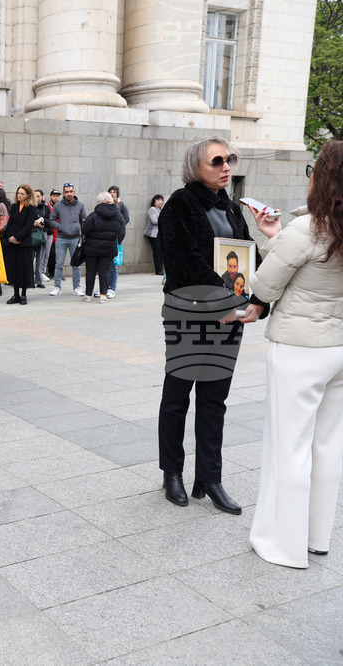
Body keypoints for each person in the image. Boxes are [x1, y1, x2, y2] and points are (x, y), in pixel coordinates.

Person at [157, 135, 268, 514]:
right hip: (188, 313)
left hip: (228, 318)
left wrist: (256, 301)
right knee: (178, 397)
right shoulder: (181, 203)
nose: (226, 167)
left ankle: (210, 477)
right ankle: (172, 472)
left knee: (214, 400)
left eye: (230, 159)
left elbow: (248, 261)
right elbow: (182, 260)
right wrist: (225, 300)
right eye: (217, 161)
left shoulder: (232, 209)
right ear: (196, 167)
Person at [248, 141, 343, 568]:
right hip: (338, 348)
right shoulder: (316, 231)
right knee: (328, 444)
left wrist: (275, 240)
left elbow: (266, 284)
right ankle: (315, 538)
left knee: (289, 446)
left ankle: (282, 545)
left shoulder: (309, 229)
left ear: (321, 177)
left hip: (300, 348)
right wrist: (276, 236)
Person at [81, 192, 126, 303]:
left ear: (99, 201)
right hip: (109, 248)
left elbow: (85, 229)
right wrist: (115, 240)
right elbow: (122, 232)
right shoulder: (118, 215)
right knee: (104, 271)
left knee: (90, 271)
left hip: (91, 248)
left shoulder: (93, 214)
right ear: (111, 200)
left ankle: (88, 295)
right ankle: (103, 295)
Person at [2, 184, 39, 305]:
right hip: (13, 242)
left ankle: (23, 295)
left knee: (24, 269)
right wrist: (12, 238)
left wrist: (18, 237)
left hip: (25, 243)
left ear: (28, 195)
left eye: (22, 193)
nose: (19, 195)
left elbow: (28, 226)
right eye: (18, 193)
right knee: (15, 269)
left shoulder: (31, 208)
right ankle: (15, 294)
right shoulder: (14, 207)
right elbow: (11, 223)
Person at [48, 183, 86, 296]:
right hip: (61, 238)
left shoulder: (80, 205)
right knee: (59, 263)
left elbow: (84, 221)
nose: (69, 194)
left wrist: (83, 236)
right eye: (67, 192)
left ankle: (77, 287)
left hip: (75, 238)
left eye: (71, 191)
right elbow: (51, 220)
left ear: (74, 192)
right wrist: (61, 228)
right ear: (63, 193)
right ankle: (57, 287)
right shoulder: (58, 206)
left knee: (76, 264)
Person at [105, 185, 130, 299]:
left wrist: (117, 226)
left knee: (113, 265)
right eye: (111, 192)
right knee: (104, 265)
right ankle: (104, 288)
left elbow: (126, 218)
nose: (112, 193)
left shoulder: (121, 205)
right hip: (105, 237)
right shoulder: (105, 205)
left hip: (115, 238)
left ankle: (112, 288)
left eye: (114, 192)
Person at [32, 189, 51, 288]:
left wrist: (42, 222)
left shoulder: (46, 208)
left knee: (40, 258)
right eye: (34, 196)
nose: (36, 198)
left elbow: (50, 221)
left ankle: (39, 280)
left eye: (38, 196)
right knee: (30, 258)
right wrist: (35, 223)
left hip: (42, 235)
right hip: (31, 234)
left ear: (42, 197)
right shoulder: (30, 207)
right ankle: (30, 279)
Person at [145, 194, 165, 275]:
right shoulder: (152, 209)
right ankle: (158, 270)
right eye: (158, 200)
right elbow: (154, 221)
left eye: (161, 200)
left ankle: (161, 269)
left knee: (161, 252)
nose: (160, 202)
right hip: (153, 234)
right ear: (154, 202)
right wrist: (164, 220)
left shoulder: (162, 209)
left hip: (161, 233)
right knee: (157, 252)